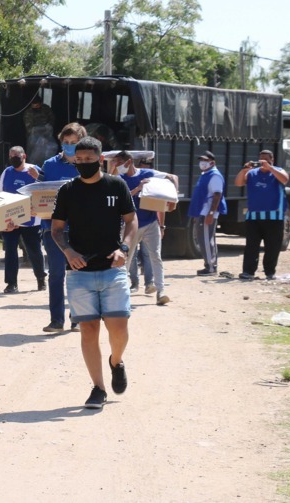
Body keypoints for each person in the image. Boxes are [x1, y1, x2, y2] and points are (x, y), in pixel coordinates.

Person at [50, 136, 137, 409]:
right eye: (79, 160)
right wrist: (68, 252)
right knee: (88, 330)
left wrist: (124, 249)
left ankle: (116, 361)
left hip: (112, 269)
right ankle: (98, 388)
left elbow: (131, 221)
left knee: (119, 329)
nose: (84, 164)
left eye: (89, 160)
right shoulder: (68, 191)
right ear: (74, 160)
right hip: (79, 273)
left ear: (100, 159)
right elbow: (55, 229)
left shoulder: (116, 185)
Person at [111, 151, 178, 305]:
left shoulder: (148, 173)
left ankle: (161, 291)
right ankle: (121, 292)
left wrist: (174, 199)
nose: (116, 166)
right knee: (125, 258)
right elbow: (121, 198)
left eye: (118, 162)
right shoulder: (119, 180)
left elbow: (173, 178)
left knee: (156, 256)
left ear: (129, 162)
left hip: (150, 223)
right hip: (130, 226)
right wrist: (138, 188)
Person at [40, 122, 86, 332]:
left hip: (80, 228)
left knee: (77, 273)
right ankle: (56, 320)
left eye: (73, 143)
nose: (69, 146)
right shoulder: (49, 165)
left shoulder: (87, 165)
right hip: (52, 229)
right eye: (66, 142)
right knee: (56, 274)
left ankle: (77, 317)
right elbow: (37, 195)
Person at [235, 150, 289, 280]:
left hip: (274, 216)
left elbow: (285, 179)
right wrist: (244, 170)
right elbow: (238, 183)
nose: (263, 162)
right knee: (251, 246)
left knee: (272, 246)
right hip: (254, 216)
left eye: (266, 159)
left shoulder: (278, 171)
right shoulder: (252, 173)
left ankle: (269, 271)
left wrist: (270, 168)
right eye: (261, 160)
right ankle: (248, 271)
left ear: (272, 160)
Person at [0, 146, 46, 294]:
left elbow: (45, 188)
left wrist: (38, 177)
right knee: (10, 251)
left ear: (24, 156)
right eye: (10, 155)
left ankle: (41, 279)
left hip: (31, 219)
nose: (13, 158)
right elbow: (0, 193)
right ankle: (11, 283)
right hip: (11, 219)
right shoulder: (7, 172)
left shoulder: (34, 170)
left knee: (34, 250)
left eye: (16, 155)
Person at [188, 150, 227, 276]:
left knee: (205, 240)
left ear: (212, 162)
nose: (202, 163)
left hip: (207, 213)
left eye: (205, 161)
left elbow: (217, 195)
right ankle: (210, 265)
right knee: (204, 239)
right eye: (201, 161)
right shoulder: (205, 174)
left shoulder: (214, 175)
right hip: (202, 212)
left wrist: (210, 213)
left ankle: (210, 267)